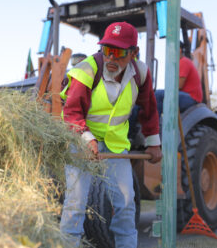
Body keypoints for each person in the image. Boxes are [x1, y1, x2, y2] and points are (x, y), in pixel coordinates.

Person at [59, 22, 162, 247]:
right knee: (75, 203)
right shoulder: (86, 70)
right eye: (107, 51)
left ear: (134, 53)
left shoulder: (141, 74)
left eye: (119, 52)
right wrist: (87, 140)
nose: (111, 58)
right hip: (80, 139)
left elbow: (150, 110)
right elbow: (72, 112)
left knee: (126, 204)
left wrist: (153, 143)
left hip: (115, 145)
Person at [155, 41, 203, 116]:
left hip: (191, 98)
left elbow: (179, 86)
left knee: (157, 94)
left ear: (179, 49)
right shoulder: (180, 62)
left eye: (170, 48)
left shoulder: (184, 62)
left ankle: (154, 124)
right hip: (186, 95)